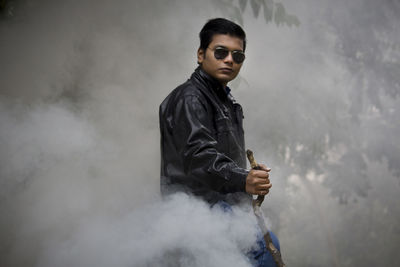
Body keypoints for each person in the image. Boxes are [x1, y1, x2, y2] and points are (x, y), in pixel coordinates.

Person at [159, 18, 280, 266]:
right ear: (201, 55)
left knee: (268, 248)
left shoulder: (224, 100)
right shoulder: (190, 98)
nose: (229, 60)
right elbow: (199, 156)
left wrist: (248, 175)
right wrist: (243, 179)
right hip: (199, 211)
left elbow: (222, 157)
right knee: (264, 251)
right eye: (221, 52)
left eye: (238, 56)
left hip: (222, 208)